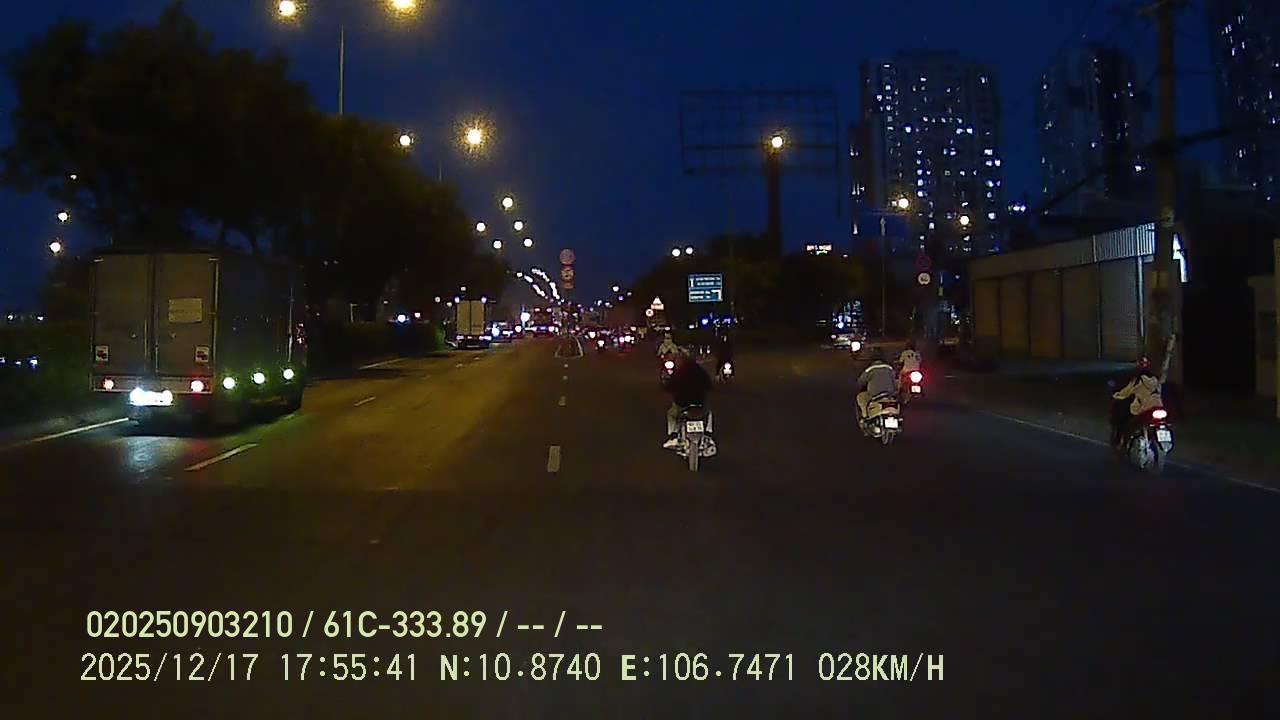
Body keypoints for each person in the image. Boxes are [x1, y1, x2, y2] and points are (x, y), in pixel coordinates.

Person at [663, 351, 713, 448]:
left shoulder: (680, 371)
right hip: (699, 403)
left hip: (683, 403)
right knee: (709, 413)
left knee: (671, 414)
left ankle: (673, 436)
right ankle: (708, 435)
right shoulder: (701, 371)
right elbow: (709, 385)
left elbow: (669, 386)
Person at [1110, 356, 1164, 447]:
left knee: (1126, 419)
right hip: (1158, 406)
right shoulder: (1155, 380)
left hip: (1143, 408)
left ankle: (1125, 442)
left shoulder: (1138, 380)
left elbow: (1126, 392)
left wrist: (1116, 396)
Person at [856, 348, 898, 421]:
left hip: (875, 395)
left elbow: (861, 381)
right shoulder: (889, 368)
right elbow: (894, 380)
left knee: (861, 397)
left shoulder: (870, 369)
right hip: (890, 395)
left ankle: (865, 416)